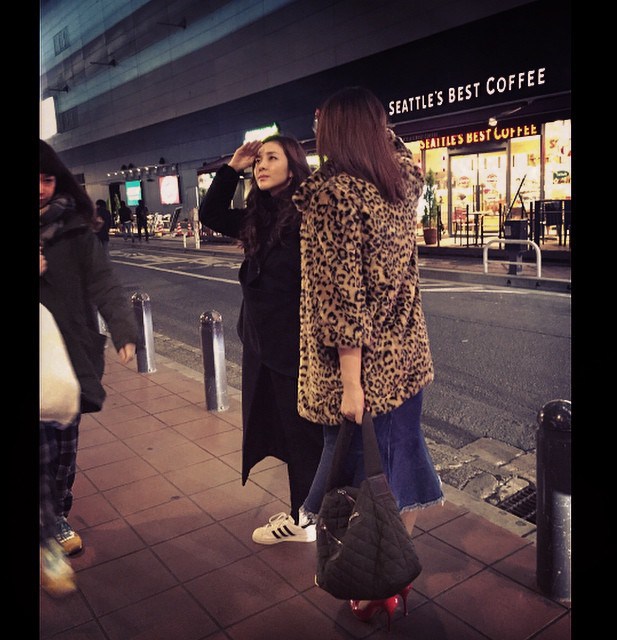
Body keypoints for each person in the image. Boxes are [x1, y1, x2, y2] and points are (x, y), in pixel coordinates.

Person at [292, 87, 444, 625]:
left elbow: (343, 302)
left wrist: (351, 383)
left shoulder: (334, 195)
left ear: (335, 131)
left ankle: (376, 580)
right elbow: (398, 152)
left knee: (360, 483)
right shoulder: (398, 184)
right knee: (399, 469)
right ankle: (395, 575)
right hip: (405, 364)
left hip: (360, 376)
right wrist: (378, 126)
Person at [199, 135, 324, 544]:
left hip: (297, 346)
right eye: (259, 161)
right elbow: (211, 213)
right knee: (282, 428)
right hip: (262, 343)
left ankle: (307, 518)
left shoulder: (311, 213)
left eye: (273, 158)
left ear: (294, 165)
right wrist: (232, 167)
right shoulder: (259, 215)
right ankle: (306, 512)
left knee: (304, 433)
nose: (262, 166)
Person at [39, 139, 137, 581]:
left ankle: (58, 514)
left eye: (47, 179)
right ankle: (46, 531)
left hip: (70, 358)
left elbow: (103, 282)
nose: (41, 189)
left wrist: (124, 330)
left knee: (64, 451)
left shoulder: (76, 230)